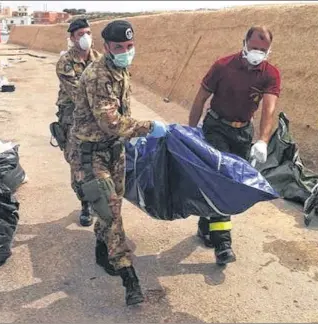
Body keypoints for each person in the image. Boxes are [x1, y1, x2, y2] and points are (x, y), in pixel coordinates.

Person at [69, 20, 168, 306]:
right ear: (106, 48)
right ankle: (129, 277)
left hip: (113, 150)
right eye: (119, 47)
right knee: (112, 213)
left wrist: (130, 136)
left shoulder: (119, 68)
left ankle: (102, 249)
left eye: (129, 46)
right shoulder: (98, 75)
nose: (126, 51)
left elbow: (121, 113)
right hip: (91, 155)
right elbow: (110, 121)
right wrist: (147, 127)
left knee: (112, 207)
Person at [188, 26, 281, 265]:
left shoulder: (270, 74)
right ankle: (223, 243)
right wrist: (192, 130)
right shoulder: (223, 66)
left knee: (228, 183)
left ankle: (204, 223)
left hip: (242, 133)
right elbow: (200, 99)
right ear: (244, 43)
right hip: (216, 127)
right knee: (222, 182)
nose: (258, 53)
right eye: (254, 47)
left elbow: (269, 109)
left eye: (263, 49)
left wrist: (262, 140)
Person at [54, 18, 102, 227]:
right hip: (73, 118)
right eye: (80, 34)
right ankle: (85, 204)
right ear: (72, 38)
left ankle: (98, 199)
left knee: (99, 160)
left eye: (88, 32)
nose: (86, 37)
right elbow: (77, 94)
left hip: (96, 116)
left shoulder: (100, 59)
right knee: (78, 162)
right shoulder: (65, 62)